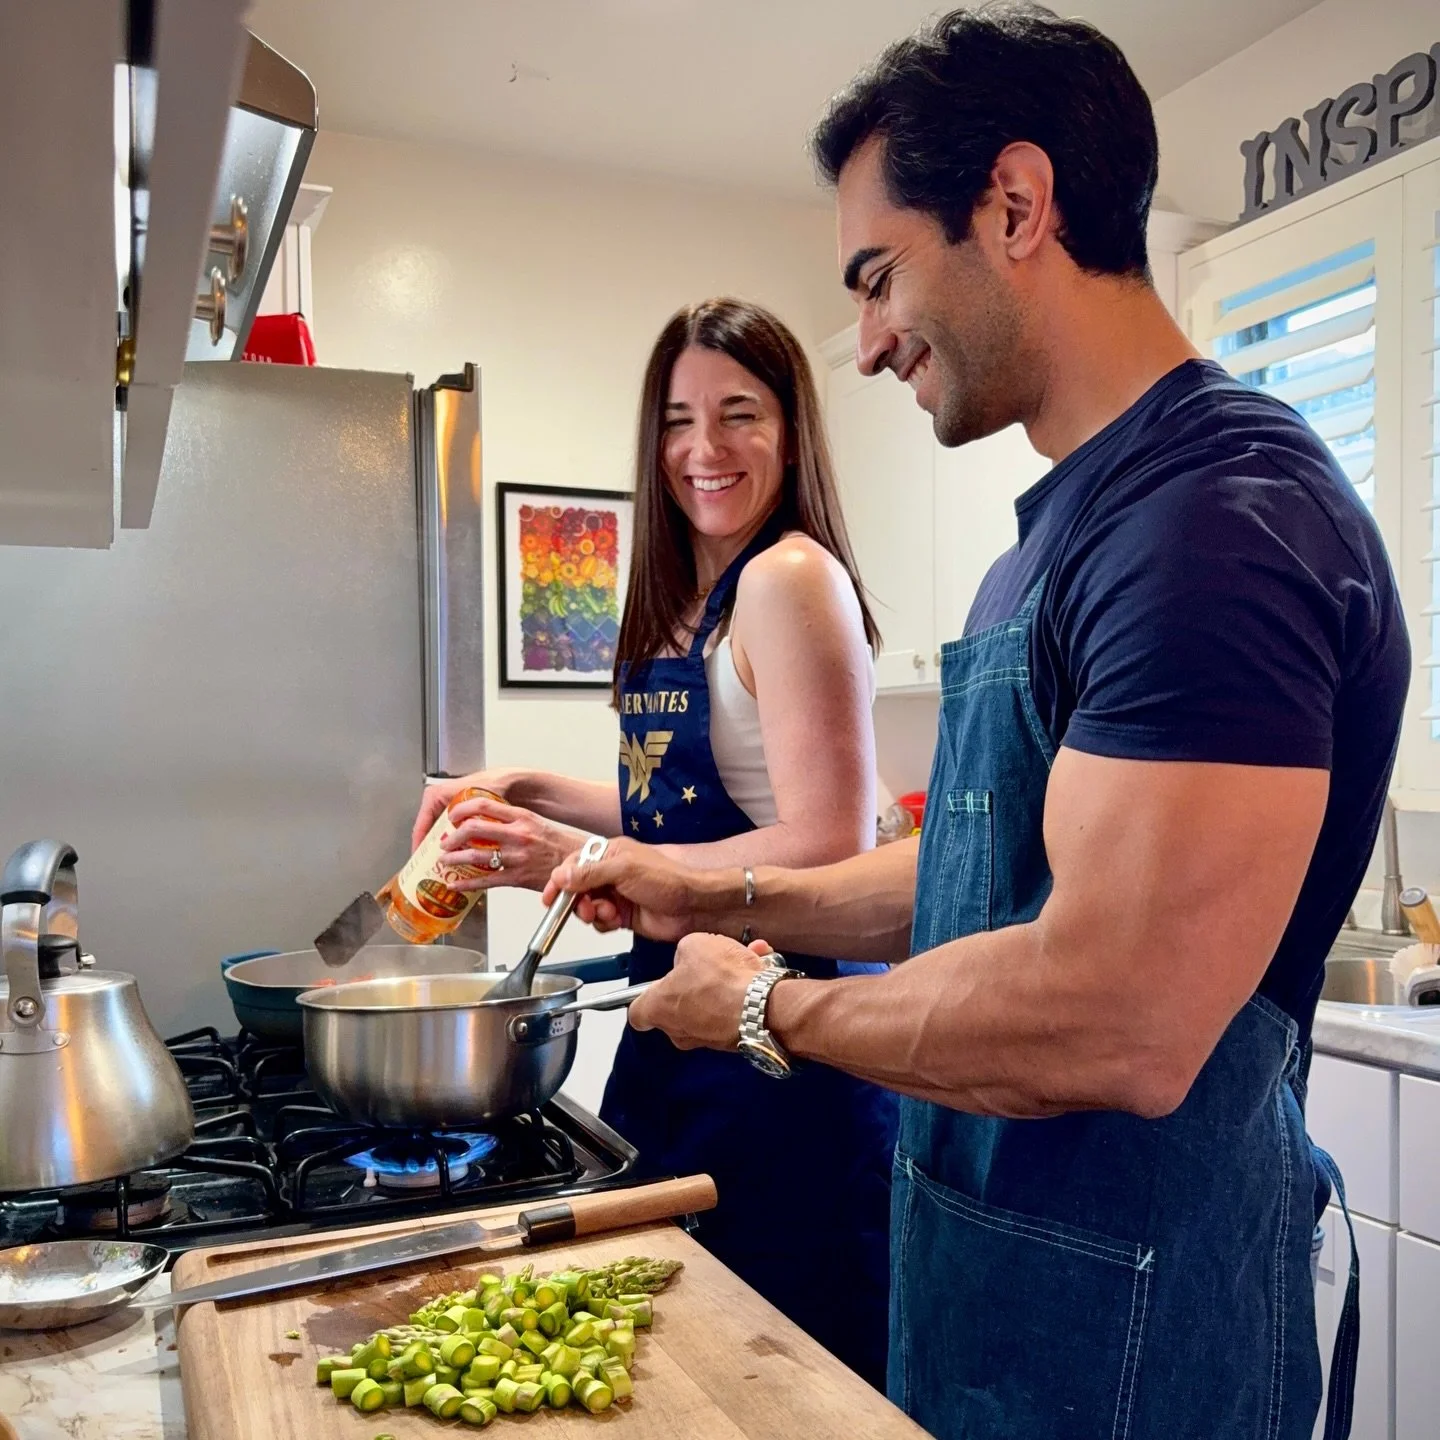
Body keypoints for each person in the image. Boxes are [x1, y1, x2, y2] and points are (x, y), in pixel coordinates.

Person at [542, 8, 1411, 1439]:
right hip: (994, 1286)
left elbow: (1115, 1015)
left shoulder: (1216, 524)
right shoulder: (1060, 530)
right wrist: (701, 886)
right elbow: (972, 870)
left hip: (1144, 1324)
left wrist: (765, 1007)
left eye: (880, 279)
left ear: (1015, 205)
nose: (871, 342)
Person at [411, 298, 899, 1387]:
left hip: (788, 1038)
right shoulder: (690, 602)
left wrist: (577, 861)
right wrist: (533, 791)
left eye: (739, 414)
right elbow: (687, 816)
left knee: (783, 1376)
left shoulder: (787, 578)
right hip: (685, 1017)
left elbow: (827, 838)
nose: (704, 450)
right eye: (679, 420)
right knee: (693, 1369)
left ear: (792, 429)